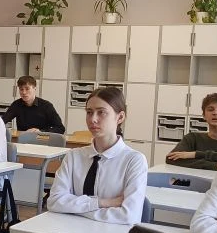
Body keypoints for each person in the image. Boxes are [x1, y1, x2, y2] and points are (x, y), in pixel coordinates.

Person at [46, 86, 147, 224]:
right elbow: (54, 201)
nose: (93, 119)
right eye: (89, 112)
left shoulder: (134, 160)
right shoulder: (73, 156)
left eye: (101, 112)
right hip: (71, 230)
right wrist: (103, 202)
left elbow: (128, 216)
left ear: (120, 117)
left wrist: (75, 209)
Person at [166, 92, 217, 170]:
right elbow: (171, 158)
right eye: (210, 109)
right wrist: (216, 166)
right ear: (204, 115)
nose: (215, 113)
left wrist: (196, 154)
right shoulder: (192, 138)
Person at [1, 76, 65, 133]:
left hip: (41, 139)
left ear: (34, 89)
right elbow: (2, 122)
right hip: (23, 139)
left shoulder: (46, 106)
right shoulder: (16, 104)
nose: (24, 92)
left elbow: (60, 128)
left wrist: (41, 131)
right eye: (21, 89)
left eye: (27, 89)